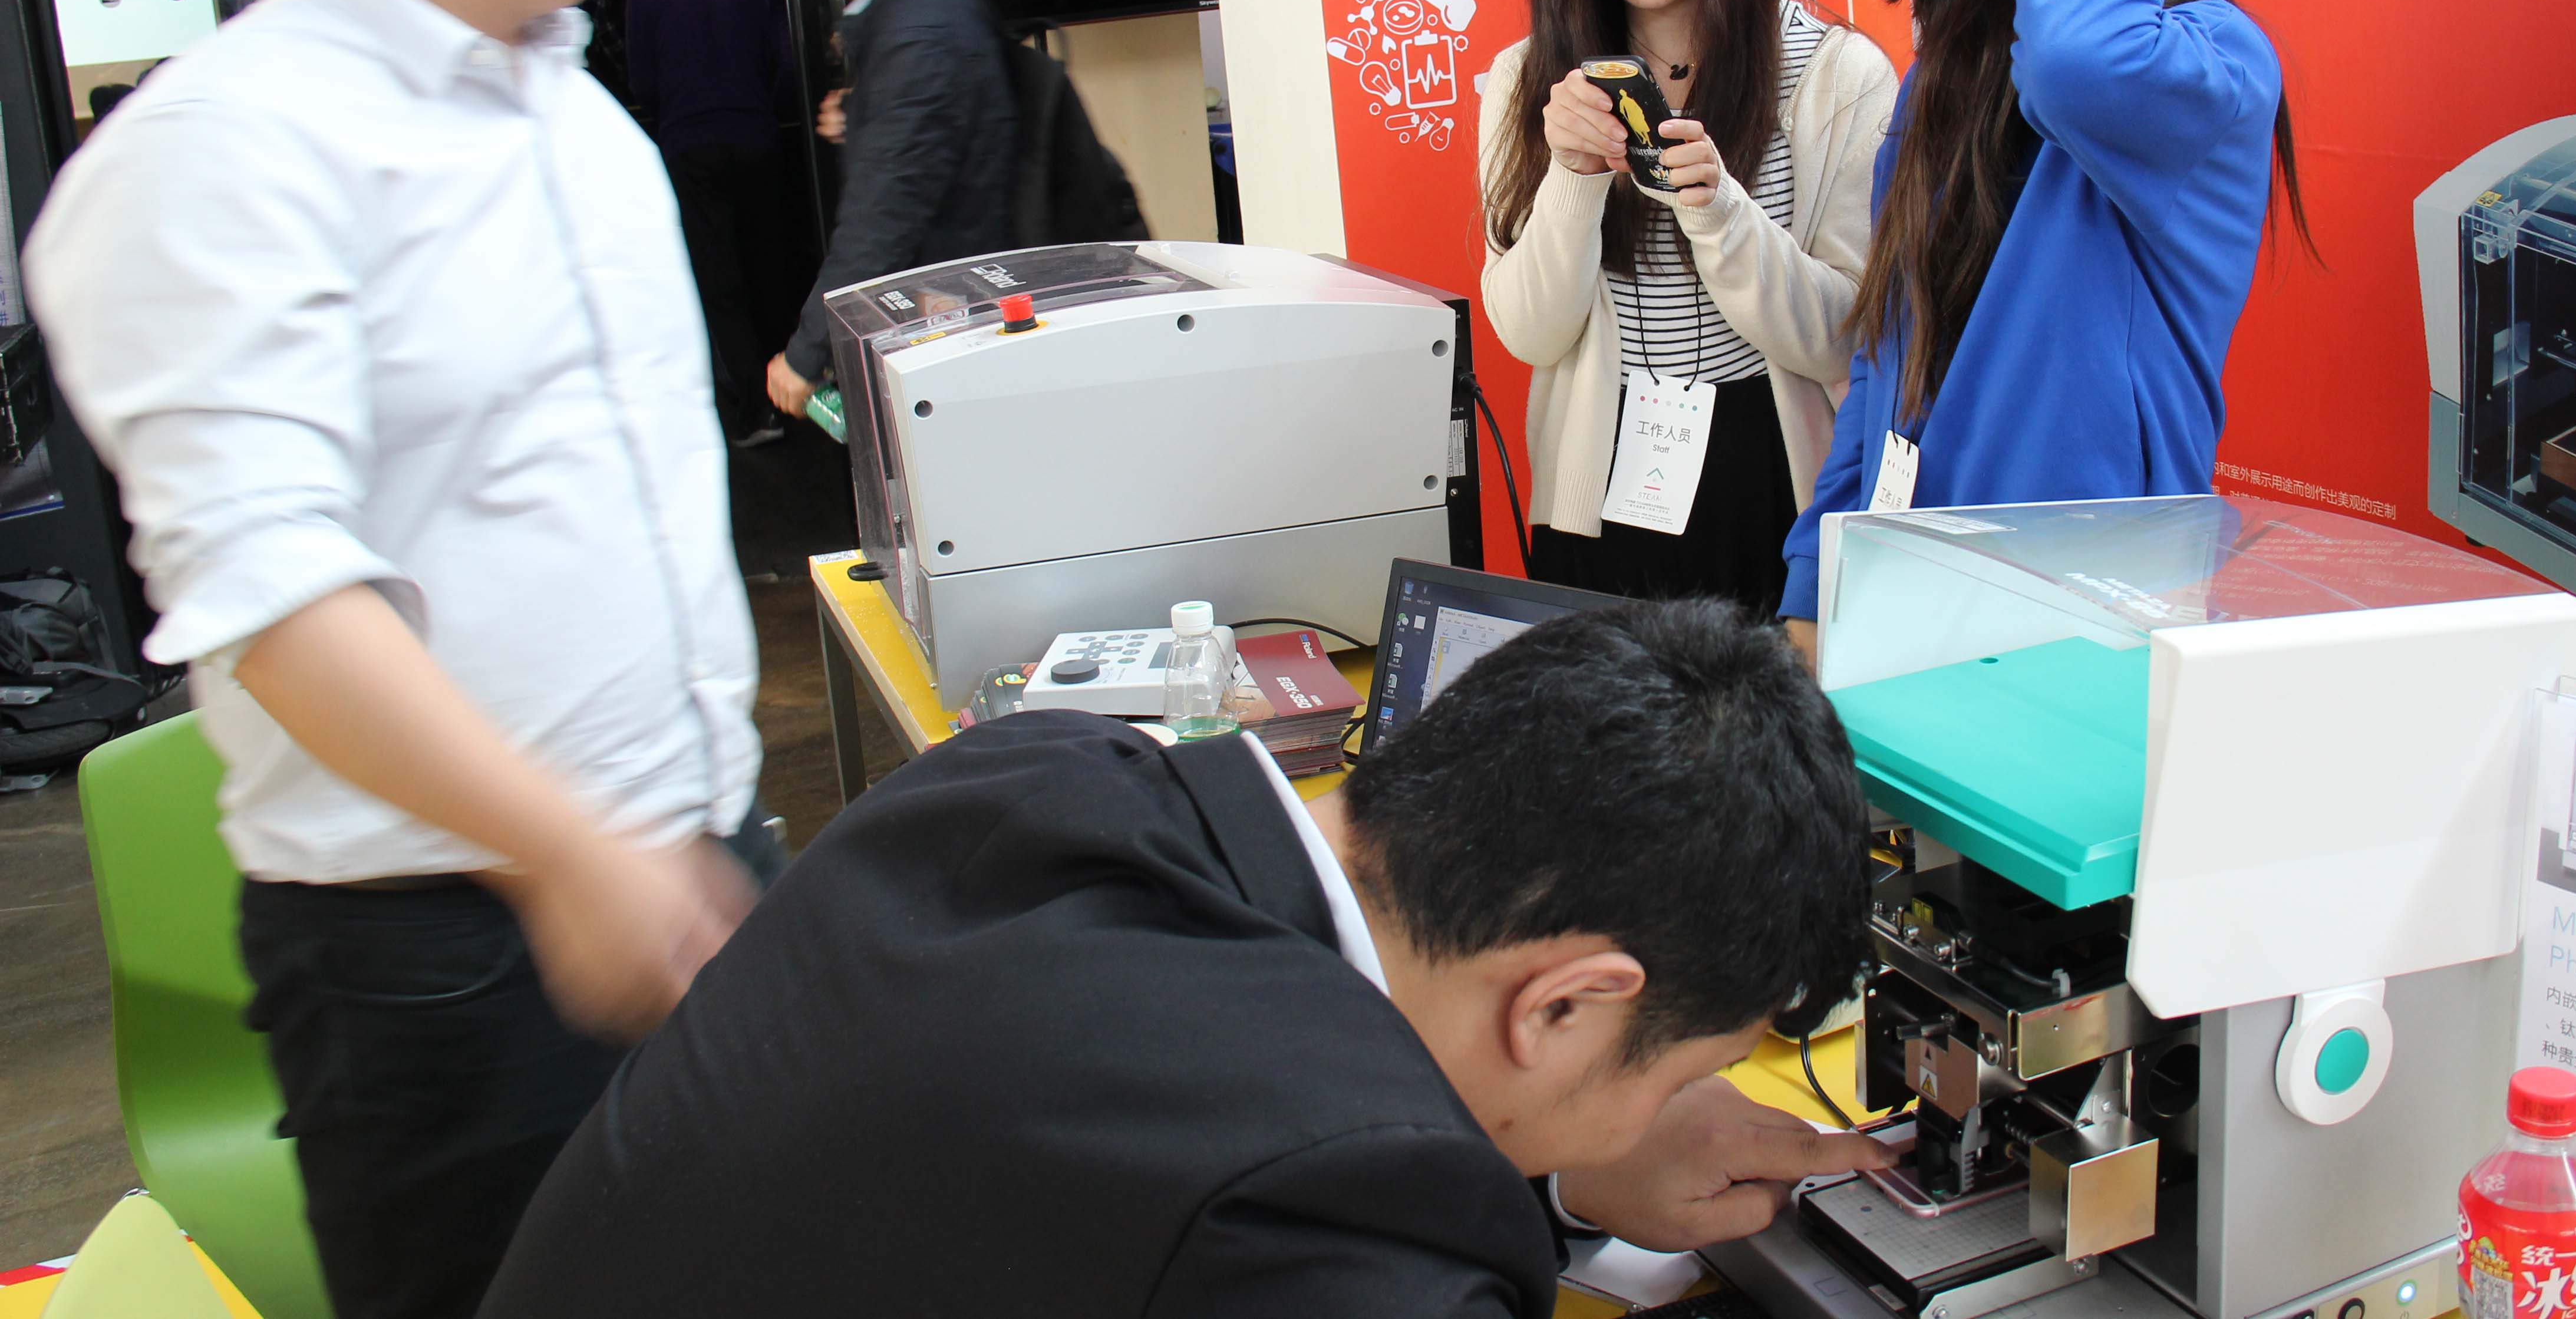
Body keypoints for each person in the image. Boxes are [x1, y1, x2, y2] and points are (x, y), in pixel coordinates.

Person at [24, 0, 780, 1315]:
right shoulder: (228, 151)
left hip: (692, 867)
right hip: (459, 957)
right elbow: (279, 601)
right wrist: (565, 856)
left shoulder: (574, 110)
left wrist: (685, 843)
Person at [476, 600, 1888, 1315]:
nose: (1671, 1110)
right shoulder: (1348, 1238)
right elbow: (1298, 1199)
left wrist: (1569, 1163)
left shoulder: (1039, 776)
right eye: (1679, 1074)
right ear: (1567, 1000)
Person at [1780, 0, 2308, 652]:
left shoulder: (2205, 62)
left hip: (2088, 627)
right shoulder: (1942, 82)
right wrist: (1812, 582)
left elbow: (2077, 61)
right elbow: (1887, 356)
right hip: (1916, 611)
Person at [1477, 0, 1895, 614]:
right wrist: (1573, 174)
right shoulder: (1528, 81)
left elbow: (1847, 337)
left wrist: (1722, 215)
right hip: (1600, 485)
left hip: (1776, 484)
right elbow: (1530, 332)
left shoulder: (1835, 75)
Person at [763, 0, 1021, 418]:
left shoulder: (917, 38)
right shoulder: (939, 4)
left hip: (955, 316)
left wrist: (806, 354)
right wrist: (864, 115)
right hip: (971, 295)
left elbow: (881, 221)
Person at [625, 0, 798, 448]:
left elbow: (643, 84)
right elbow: (784, 69)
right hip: (757, 138)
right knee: (769, 265)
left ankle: (755, 412)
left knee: (720, 279)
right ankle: (795, 393)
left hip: (690, 146)